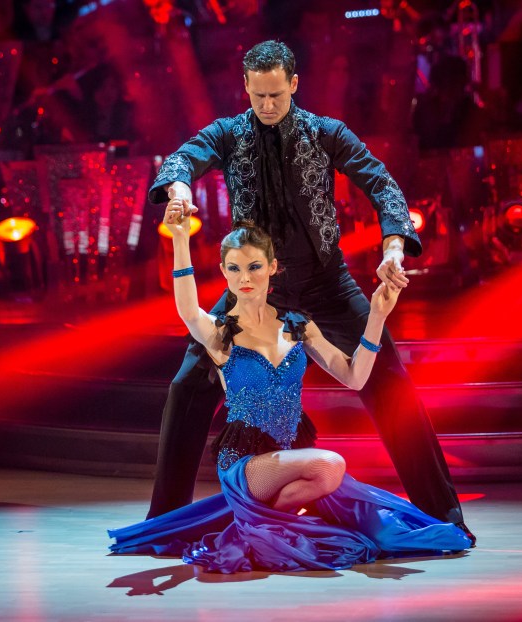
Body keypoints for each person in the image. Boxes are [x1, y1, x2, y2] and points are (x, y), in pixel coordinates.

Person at [145, 39, 475, 544]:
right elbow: (183, 158)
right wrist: (181, 191)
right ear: (247, 89)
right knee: (189, 383)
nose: (268, 106)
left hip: (325, 283)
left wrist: (392, 247)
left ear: (294, 84)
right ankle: (164, 525)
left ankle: (443, 515)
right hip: (256, 287)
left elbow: (383, 185)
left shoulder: (326, 133)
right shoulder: (230, 134)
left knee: (387, 379)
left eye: (277, 95)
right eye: (258, 97)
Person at [107, 218, 472, 572]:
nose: (244, 278)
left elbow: (355, 377)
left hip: (289, 458)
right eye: (234, 269)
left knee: (376, 525)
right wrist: (181, 238)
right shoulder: (220, 334)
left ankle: (261, 523)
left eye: (253, 266)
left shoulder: (298, 326)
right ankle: (253, 521)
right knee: (329, 465)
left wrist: (377, 316)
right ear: (224, 272)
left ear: (272, 267)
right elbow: (188, 309)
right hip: (245, 466)